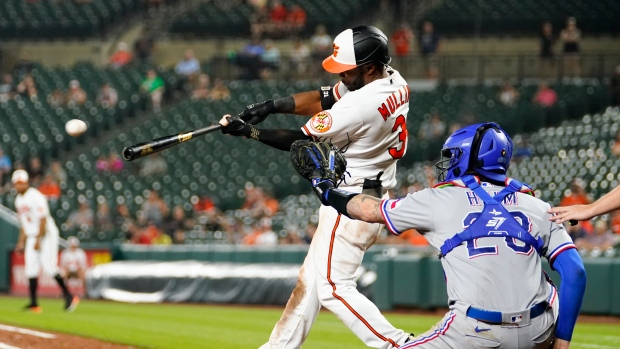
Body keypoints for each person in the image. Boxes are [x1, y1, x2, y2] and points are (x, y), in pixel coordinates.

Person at [305, 122, 586, 349]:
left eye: (453, 156)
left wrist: (327, 190)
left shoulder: (438, 199)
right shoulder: (538, 206)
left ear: (467, 158)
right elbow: (575, 272)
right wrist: (562, 341)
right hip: (539, 332)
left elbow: (370, 211)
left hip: (475, 332)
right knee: (548, 290)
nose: (448, 163)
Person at [220, 25, 412, 349]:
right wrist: (271, 106)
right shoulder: (394, 80)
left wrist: (249, 132)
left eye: (347, 71)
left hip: (350, 201)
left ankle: (400, 344)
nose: (342, 77)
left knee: (333, 287)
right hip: (369, 191)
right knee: (309, 285)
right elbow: (325, 97)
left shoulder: (359, 106)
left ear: (368, 68)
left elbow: (301, 140)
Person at [12, 170, 79, 312]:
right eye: (16, 183)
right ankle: (34, 303)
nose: (19, 186)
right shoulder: (18, 200)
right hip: (32, 236)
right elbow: (24, 224)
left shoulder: (35, 196)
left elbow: (43, 219)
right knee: (30, 269)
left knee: (49, 267)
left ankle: (69, 296)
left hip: (46, 234)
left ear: (26, 182)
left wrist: (37, 239)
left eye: (21, 183)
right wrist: (20, 242)